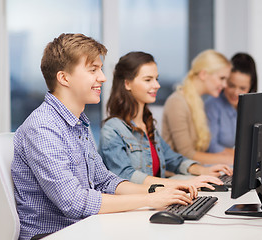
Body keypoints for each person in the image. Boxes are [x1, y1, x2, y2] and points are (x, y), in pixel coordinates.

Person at [11, 34, 200, 240]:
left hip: (85, 227)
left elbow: (105, 181)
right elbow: (74, 202)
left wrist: (159, 191)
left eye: (100, 69)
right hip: (56, 234)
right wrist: (149, 199)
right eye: (93, 70)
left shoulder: (78, 123)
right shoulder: (43, 127)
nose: (102, 77)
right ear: (64, 78)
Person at [98, 51, 232, 190]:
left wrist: (204, 170)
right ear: (127, 84)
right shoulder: (112, 129)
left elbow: (173, 159)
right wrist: (181, 184)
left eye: (157, 79)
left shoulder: (147, 125)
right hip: (135, 207)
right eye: (148, 80)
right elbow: (126, 175)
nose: (157, 85)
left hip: (155, 201)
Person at [162, 49, 234, 165]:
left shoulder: (197, 103)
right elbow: (187, 154)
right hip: (176, 176)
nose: (225, 85)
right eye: (222, 78)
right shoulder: (177, 102)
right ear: (203, 74)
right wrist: (234, 160)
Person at [204, 53, 258, 153]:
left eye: (242, 88)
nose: (236, 92)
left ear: (250, 88)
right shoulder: (212, 106)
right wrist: (243, 154)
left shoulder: (247, 107)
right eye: (231, 85)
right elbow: (211, 147)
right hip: (214, 164)